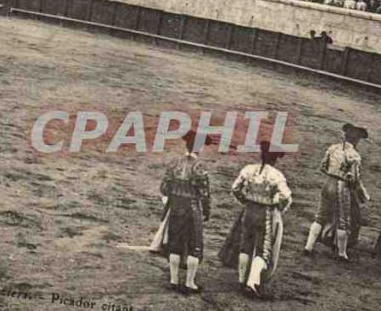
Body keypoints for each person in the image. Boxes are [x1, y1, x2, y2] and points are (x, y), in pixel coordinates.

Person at [221, 141, 292, 298]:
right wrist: (277, 206)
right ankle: (252, 283)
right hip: (265, 213)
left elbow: (235, 189)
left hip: (248, 210)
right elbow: (286, 197)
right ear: (275, 159)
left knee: (245, 245)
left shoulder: (249, 169)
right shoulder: (276, 175)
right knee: (263, 249)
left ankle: (241, 279)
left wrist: (245, 201)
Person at [303, 123, 369, 261]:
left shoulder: (333, 148)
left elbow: (322, 167)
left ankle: (308, 246)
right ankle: (342, 253)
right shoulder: (355, 156)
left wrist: (333, 172)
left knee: (320, 216)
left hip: (328, 183)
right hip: (341, 187)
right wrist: (361, 192)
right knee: (342, 221)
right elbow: (355, 179)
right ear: (356, 140)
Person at [157, 130, 212, 294]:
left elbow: (164, 188)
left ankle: (174, 280)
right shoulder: (199, 166)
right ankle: (189, 283)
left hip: (175, 207)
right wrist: (207, 210)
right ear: (199, 148)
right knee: (194, 245)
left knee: (175, 244)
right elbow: (205, 193)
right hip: (192, 208)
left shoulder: (175, 163)